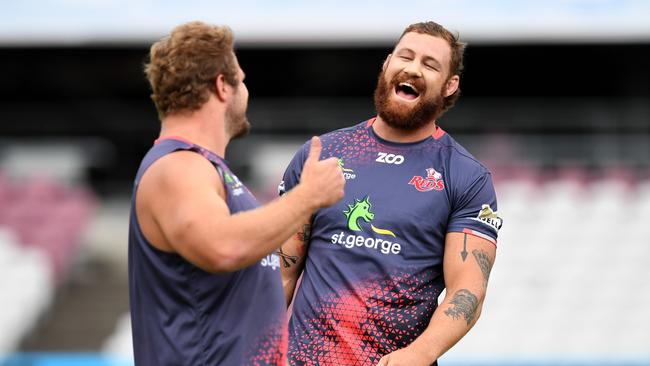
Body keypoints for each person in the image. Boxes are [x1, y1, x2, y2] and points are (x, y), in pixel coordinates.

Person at [278, 21, 503, 366]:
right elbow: (281, 270)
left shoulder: (466, 177)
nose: (413, 68)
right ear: (387, 64)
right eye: (406, 56)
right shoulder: (322, 154)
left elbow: (467, 290)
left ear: (449, 85)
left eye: (430, 64)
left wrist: (419, 354)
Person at [128, 21, 345, 366]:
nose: (246, 91)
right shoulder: (179, 166)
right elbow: (223, 247)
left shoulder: (205, 170)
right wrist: (309, 196)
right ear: (222, 86)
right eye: (241, 81)